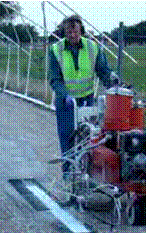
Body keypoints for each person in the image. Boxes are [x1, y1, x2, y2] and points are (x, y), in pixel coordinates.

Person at [49, 15, 120, 175]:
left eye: (75, 31)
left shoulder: (92, 47)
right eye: (68, 32)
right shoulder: (56, 50)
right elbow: (54, 78)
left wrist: (113, 83)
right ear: (64, 32)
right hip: (66, 102)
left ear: (81, 30)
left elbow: (103, 71)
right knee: (67, 138)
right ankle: (68, 176)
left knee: (89, 137)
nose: (72, 35)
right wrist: (65, 95)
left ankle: (88, 173)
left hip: (87, 100)